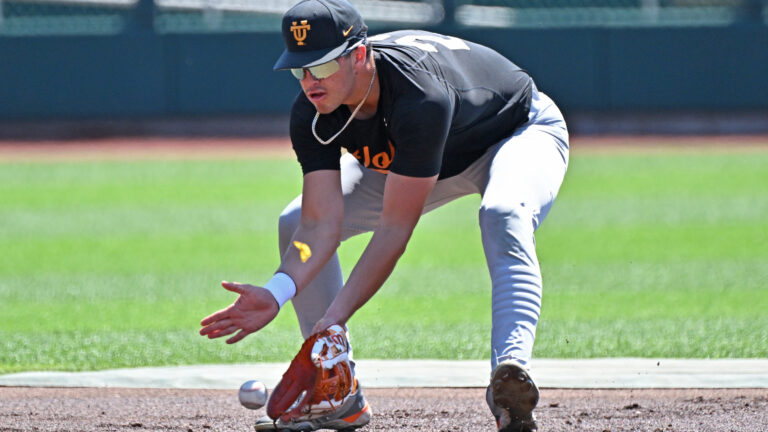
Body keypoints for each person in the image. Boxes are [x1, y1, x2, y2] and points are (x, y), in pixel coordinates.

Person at [199, 0, 569, 430]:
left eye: (320, 67)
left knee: (503, 214)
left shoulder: (418, 96)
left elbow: (394, 229)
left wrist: (331, 322)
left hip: (515, 133)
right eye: (299, 70)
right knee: (293, 219)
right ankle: (338, 391)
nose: (309, 83)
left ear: (359, 55)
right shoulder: (314, 110)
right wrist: (278, 290)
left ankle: (509, 379)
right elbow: (317, 225)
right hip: (416, 159)